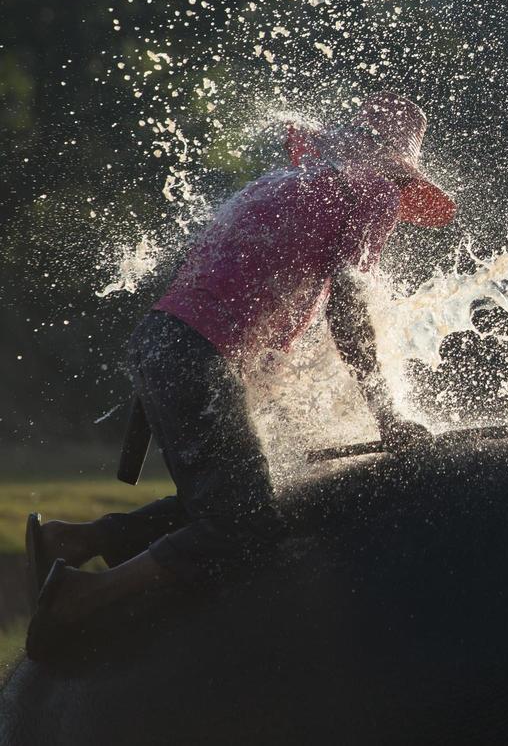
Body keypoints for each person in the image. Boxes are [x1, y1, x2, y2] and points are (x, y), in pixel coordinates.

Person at [24, 93, 456, 662]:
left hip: (163, 344)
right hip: (193, 356)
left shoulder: (282, 184)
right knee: (246, 528)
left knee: (251, 493)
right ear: (395, 166)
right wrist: (389, 416)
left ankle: (74, 539)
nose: (400, 207)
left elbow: (226, 292)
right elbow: (348, 311)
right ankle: (81, 598)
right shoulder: (369, 190)